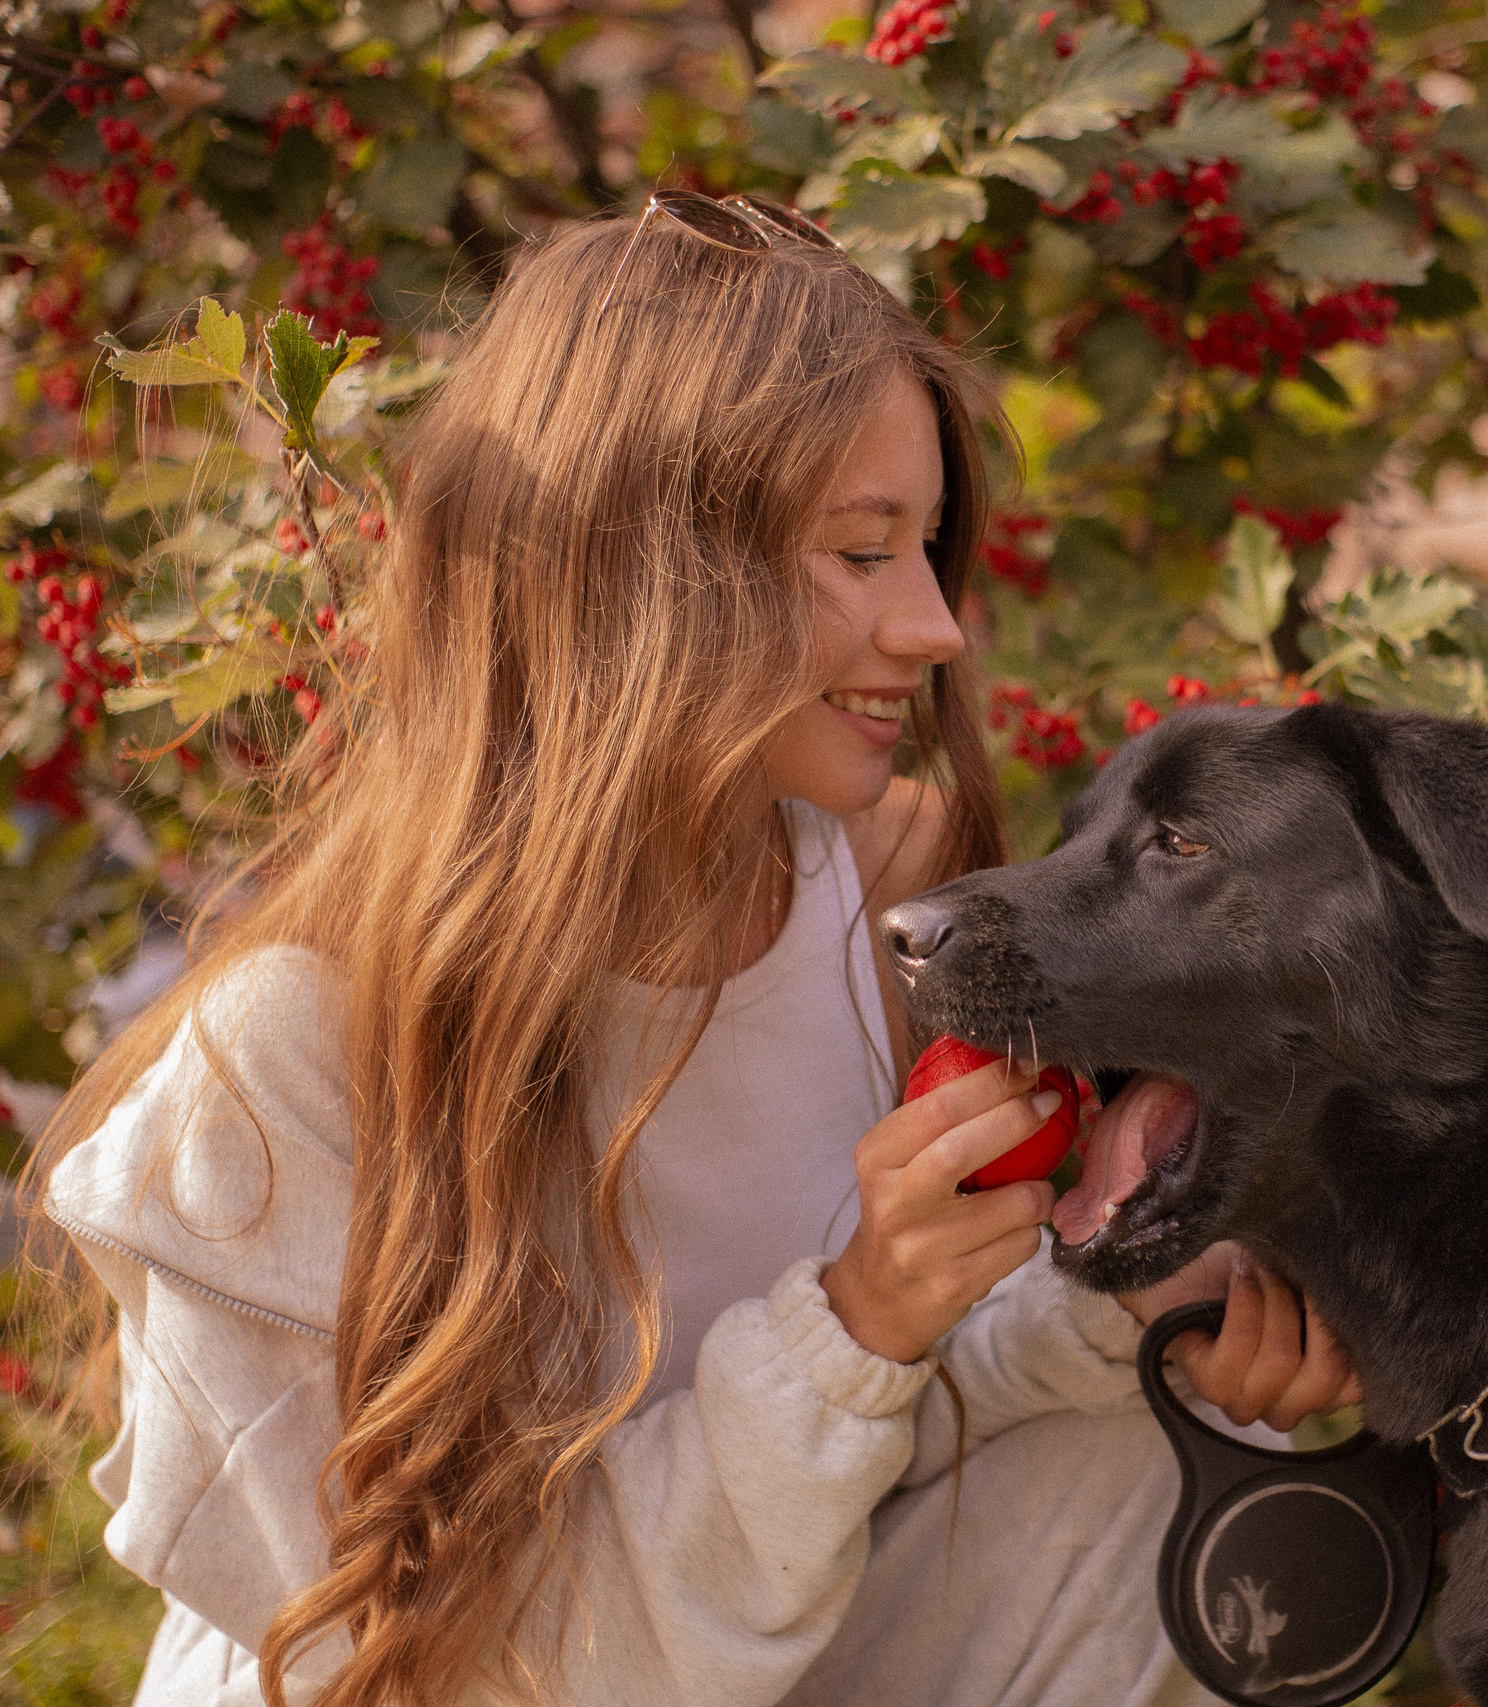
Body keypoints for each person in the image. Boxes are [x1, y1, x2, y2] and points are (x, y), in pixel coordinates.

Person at [25, 197, 1359, 1707]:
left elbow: (908, 1431)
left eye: (927, 547)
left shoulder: (890, 899)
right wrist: (854, 1322)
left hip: (753, 1650)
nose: (932, 625)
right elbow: (429, 1668)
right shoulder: (286, 1058)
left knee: (1153, 1468)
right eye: (861, 553)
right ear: (637, 572)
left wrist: (1137, 1316)